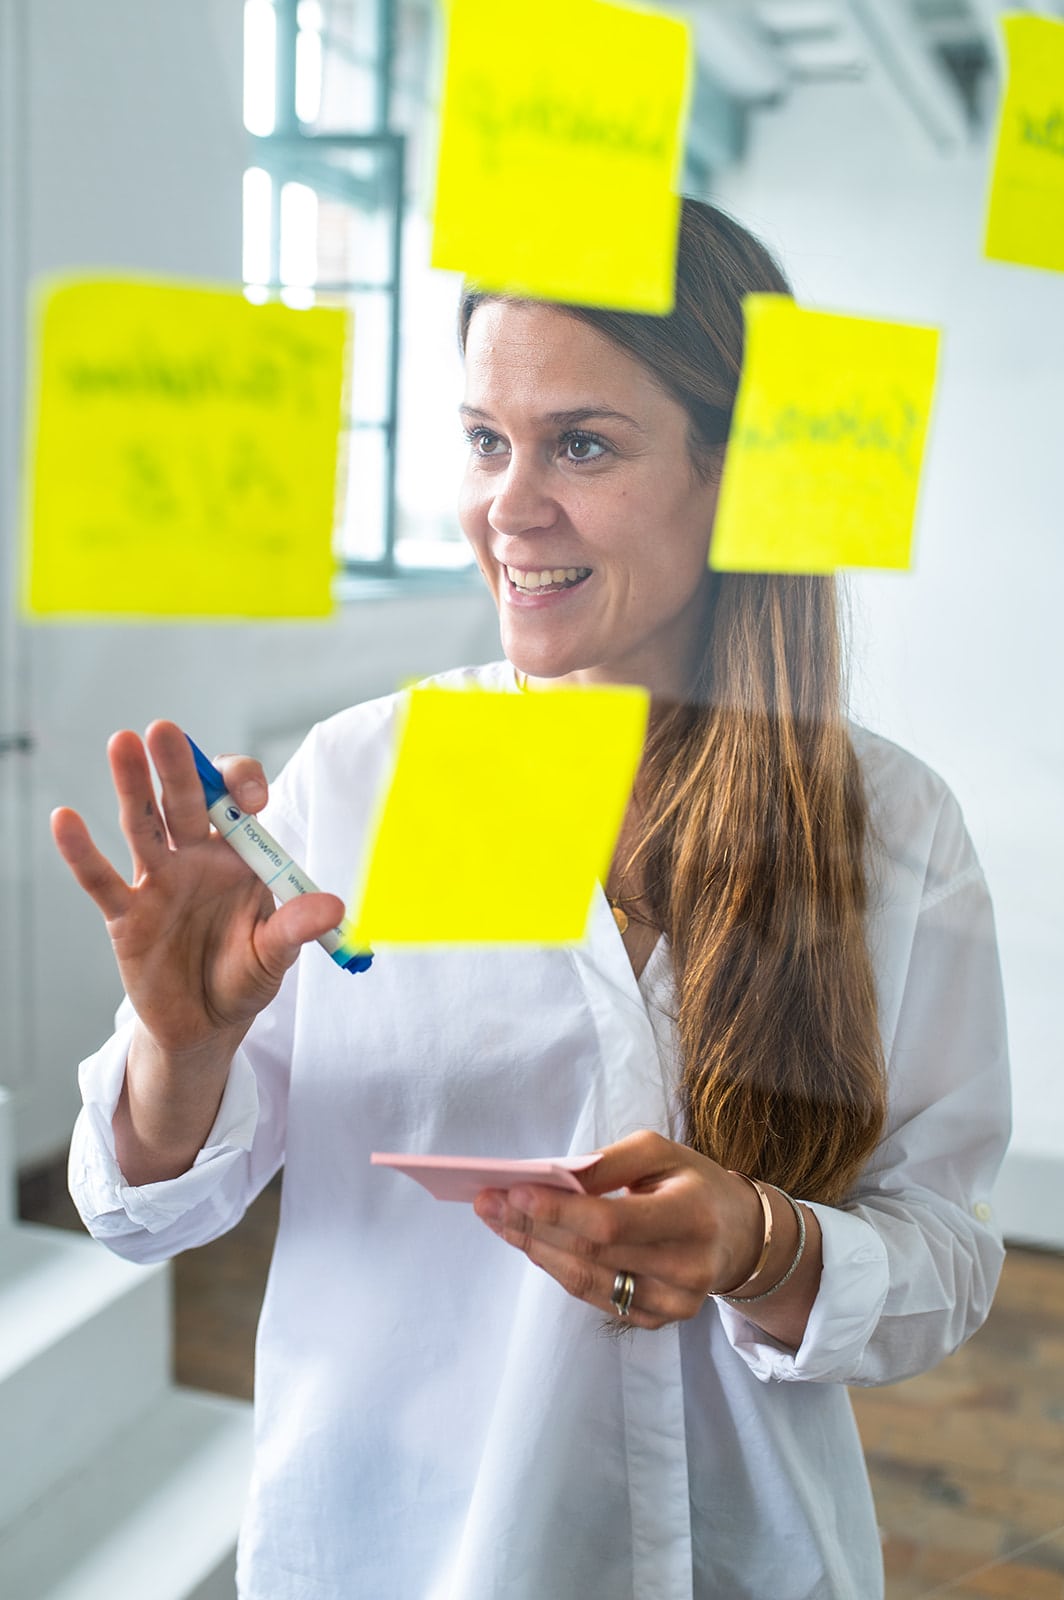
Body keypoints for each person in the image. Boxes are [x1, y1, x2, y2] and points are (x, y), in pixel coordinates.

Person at [55, 199, 1010, 1600]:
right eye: (486, 441)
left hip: (750, 1560)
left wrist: (763, 1243)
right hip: (389, 1552)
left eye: (582, 445)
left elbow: (949, 1257)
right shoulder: (368, 780)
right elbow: (143, 1215)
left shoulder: (890, 828)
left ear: (733, 474)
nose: (509, 504)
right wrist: (177, 1052)